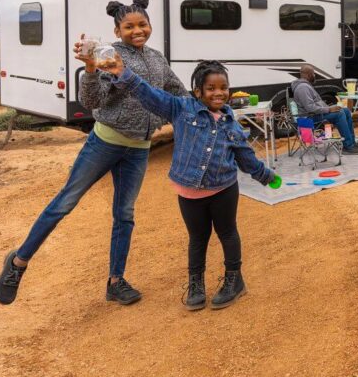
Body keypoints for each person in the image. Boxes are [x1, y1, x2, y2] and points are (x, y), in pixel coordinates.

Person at [0, 0, 186, 307]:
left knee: (124, 215)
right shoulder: (110, 56)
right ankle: (18, 263)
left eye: (143, 24)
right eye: (129, 26)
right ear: (117, 29)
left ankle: (116, 281)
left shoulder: (157, 59)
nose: (137, 30)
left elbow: (177, 92)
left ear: (150, 26)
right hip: (105, 142)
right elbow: (92, 101)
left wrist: (188, 112)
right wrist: (91, 69)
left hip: (139, 147)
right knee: (65, 203)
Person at [100, 55, 278, 310]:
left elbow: (246, 158)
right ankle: (196, 284)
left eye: (223, 88)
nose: (219, 93)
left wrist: (267, 176)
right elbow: (149, 95)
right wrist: (123, 73)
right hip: (189, 192)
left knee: (227, 233)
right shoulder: (181, 108)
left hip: (223, 189)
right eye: (212, 88)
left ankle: (234, 280)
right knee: (197, 238)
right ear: (197, 91)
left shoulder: (231, 124)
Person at [290, 65, 358, 154]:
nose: (314, 75)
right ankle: (348, 146)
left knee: (346, 111)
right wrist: (329, 109)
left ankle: (352, 142)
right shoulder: (302, 88)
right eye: (313, 73)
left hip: (315, 114)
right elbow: (310, 108)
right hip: (308, 118)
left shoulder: (305, 86)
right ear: (309, 75)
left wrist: (329, 108)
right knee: (339, 114)